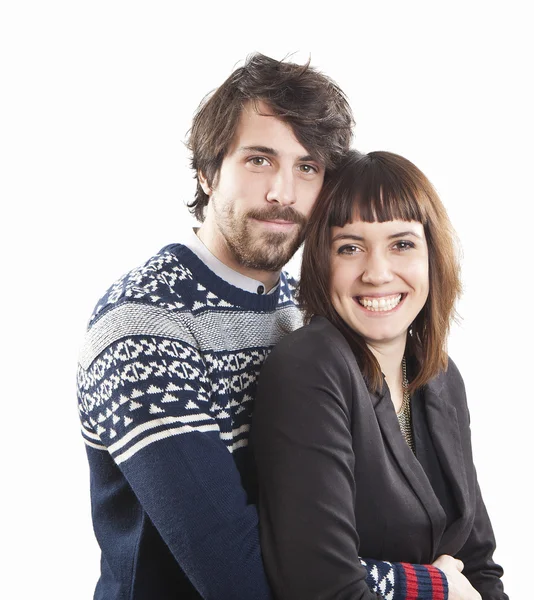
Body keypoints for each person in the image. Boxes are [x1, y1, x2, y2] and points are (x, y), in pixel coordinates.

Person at [77, 55, 448, 600]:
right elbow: (235, 574)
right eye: (259, 160)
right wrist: (428, 584)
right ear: (207, 171)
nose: (283, 192)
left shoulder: (308, 310)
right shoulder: (144, 329)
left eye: (307, 167)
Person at [252, 151, 509, 600]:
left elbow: (479, 565)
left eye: (402, 244)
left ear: (433, 255)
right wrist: (439, 589)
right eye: (349, 247)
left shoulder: (440, 377)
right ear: (321, 262)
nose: (377, 273)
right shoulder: (310, 366)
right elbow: (324, 588)